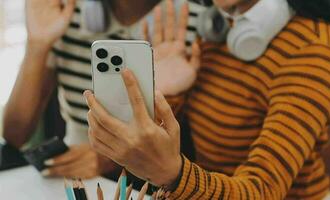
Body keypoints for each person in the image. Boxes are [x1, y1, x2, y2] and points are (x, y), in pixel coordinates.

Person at [85, 0, 330, 199]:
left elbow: (262, 190)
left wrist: (173, 174)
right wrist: (167, 92)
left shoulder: (313, 50)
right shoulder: (222, 28)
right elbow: (172, 142)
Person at [2, 0, 199, 179]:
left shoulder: (197, 23)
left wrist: (107, 159)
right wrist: (37, 44)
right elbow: (14, 134)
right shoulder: (64, 15)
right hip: (74, 174)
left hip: (151, 180)